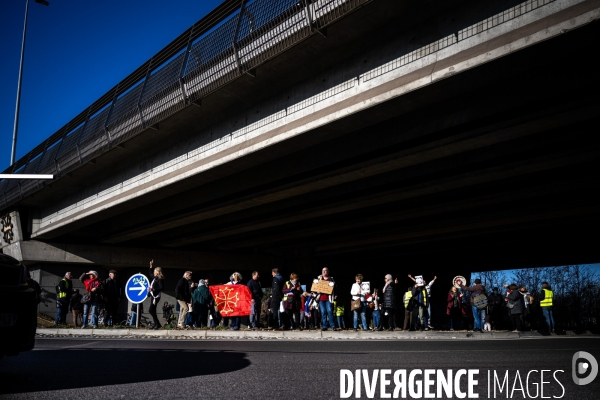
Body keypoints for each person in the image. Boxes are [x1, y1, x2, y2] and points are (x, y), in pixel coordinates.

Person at [148, 260, 165, 329]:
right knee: (153, 310)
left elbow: (161, 287)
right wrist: (151, 265)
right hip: (153, 295)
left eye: (155, 271)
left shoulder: (160, 279)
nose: (154, 273)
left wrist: (153, 289)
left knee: (151, 310)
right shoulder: (155, 278)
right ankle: (156, 324)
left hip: (156, 296)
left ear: (157, 272)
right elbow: (150, 273)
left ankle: (157, 323)